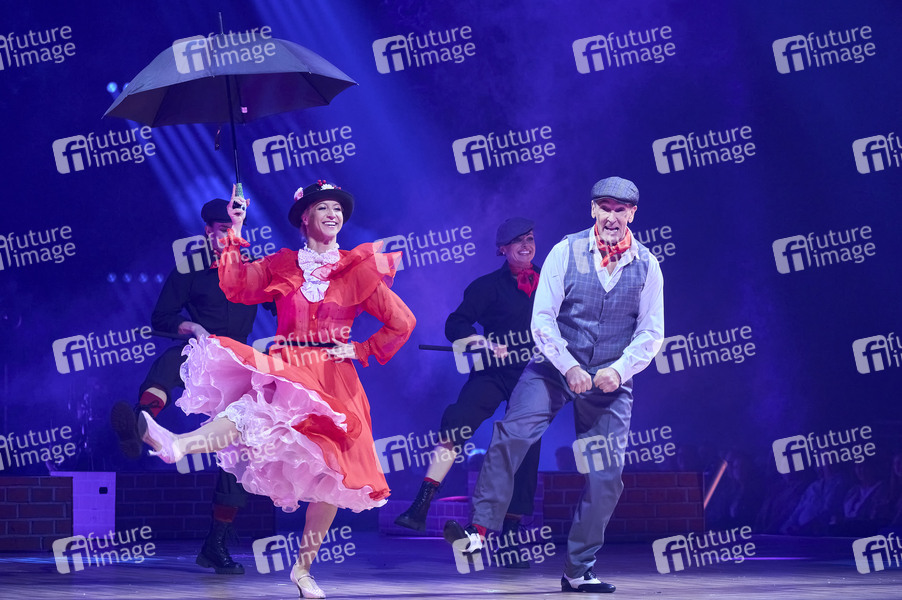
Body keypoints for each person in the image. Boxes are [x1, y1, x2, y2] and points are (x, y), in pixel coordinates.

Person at [139, 181, 416, 599]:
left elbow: (402, 322)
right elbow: (236, 285)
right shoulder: (283, 264)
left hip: (334, 376)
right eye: (323, 207)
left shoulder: (356, 269)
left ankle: (303, 570)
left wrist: (361, 349)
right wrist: (235, 229)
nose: (333, 214)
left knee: (332, 475)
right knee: (251, 415)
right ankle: (178, 444)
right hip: (289, 365)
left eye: (338, 209)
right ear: (304, 217)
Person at [444, 177, 664, 593]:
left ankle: (578, 569)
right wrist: (569, 366)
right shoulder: (565, 251)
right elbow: (542, 319)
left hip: (611, 379)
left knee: (606, 477)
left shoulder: (647, 264)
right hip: (552, 367)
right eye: (605, 207)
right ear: (593, 210)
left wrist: (619, 370)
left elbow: (651, 332)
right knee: (512, 434)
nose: (612, 217)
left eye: (620, 209)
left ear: (632, 214)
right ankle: (478, 532)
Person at [110, 197, 268, 575]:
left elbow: (283, 304)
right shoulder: (190, 269)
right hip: (202, 349)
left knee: (237, 447)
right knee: (173, 361)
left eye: (232, 230)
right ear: (207, 231)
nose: (225, 236)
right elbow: (162, 318)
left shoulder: (254, 268)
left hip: (239, 362)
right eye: (220, 231)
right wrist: (193, 328)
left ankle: (216, 543)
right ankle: (142, 421)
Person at [394, 218, 542, 567]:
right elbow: (455, 323)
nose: (526, 246)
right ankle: (422, 503)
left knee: (526, 445)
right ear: (502, 249)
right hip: (492, 372)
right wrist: (480, 341)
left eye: (530, 239)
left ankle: (511, 537)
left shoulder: (550, 283)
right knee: (458, 420)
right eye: (517, 241)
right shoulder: (486, 286)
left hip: (531, 375)